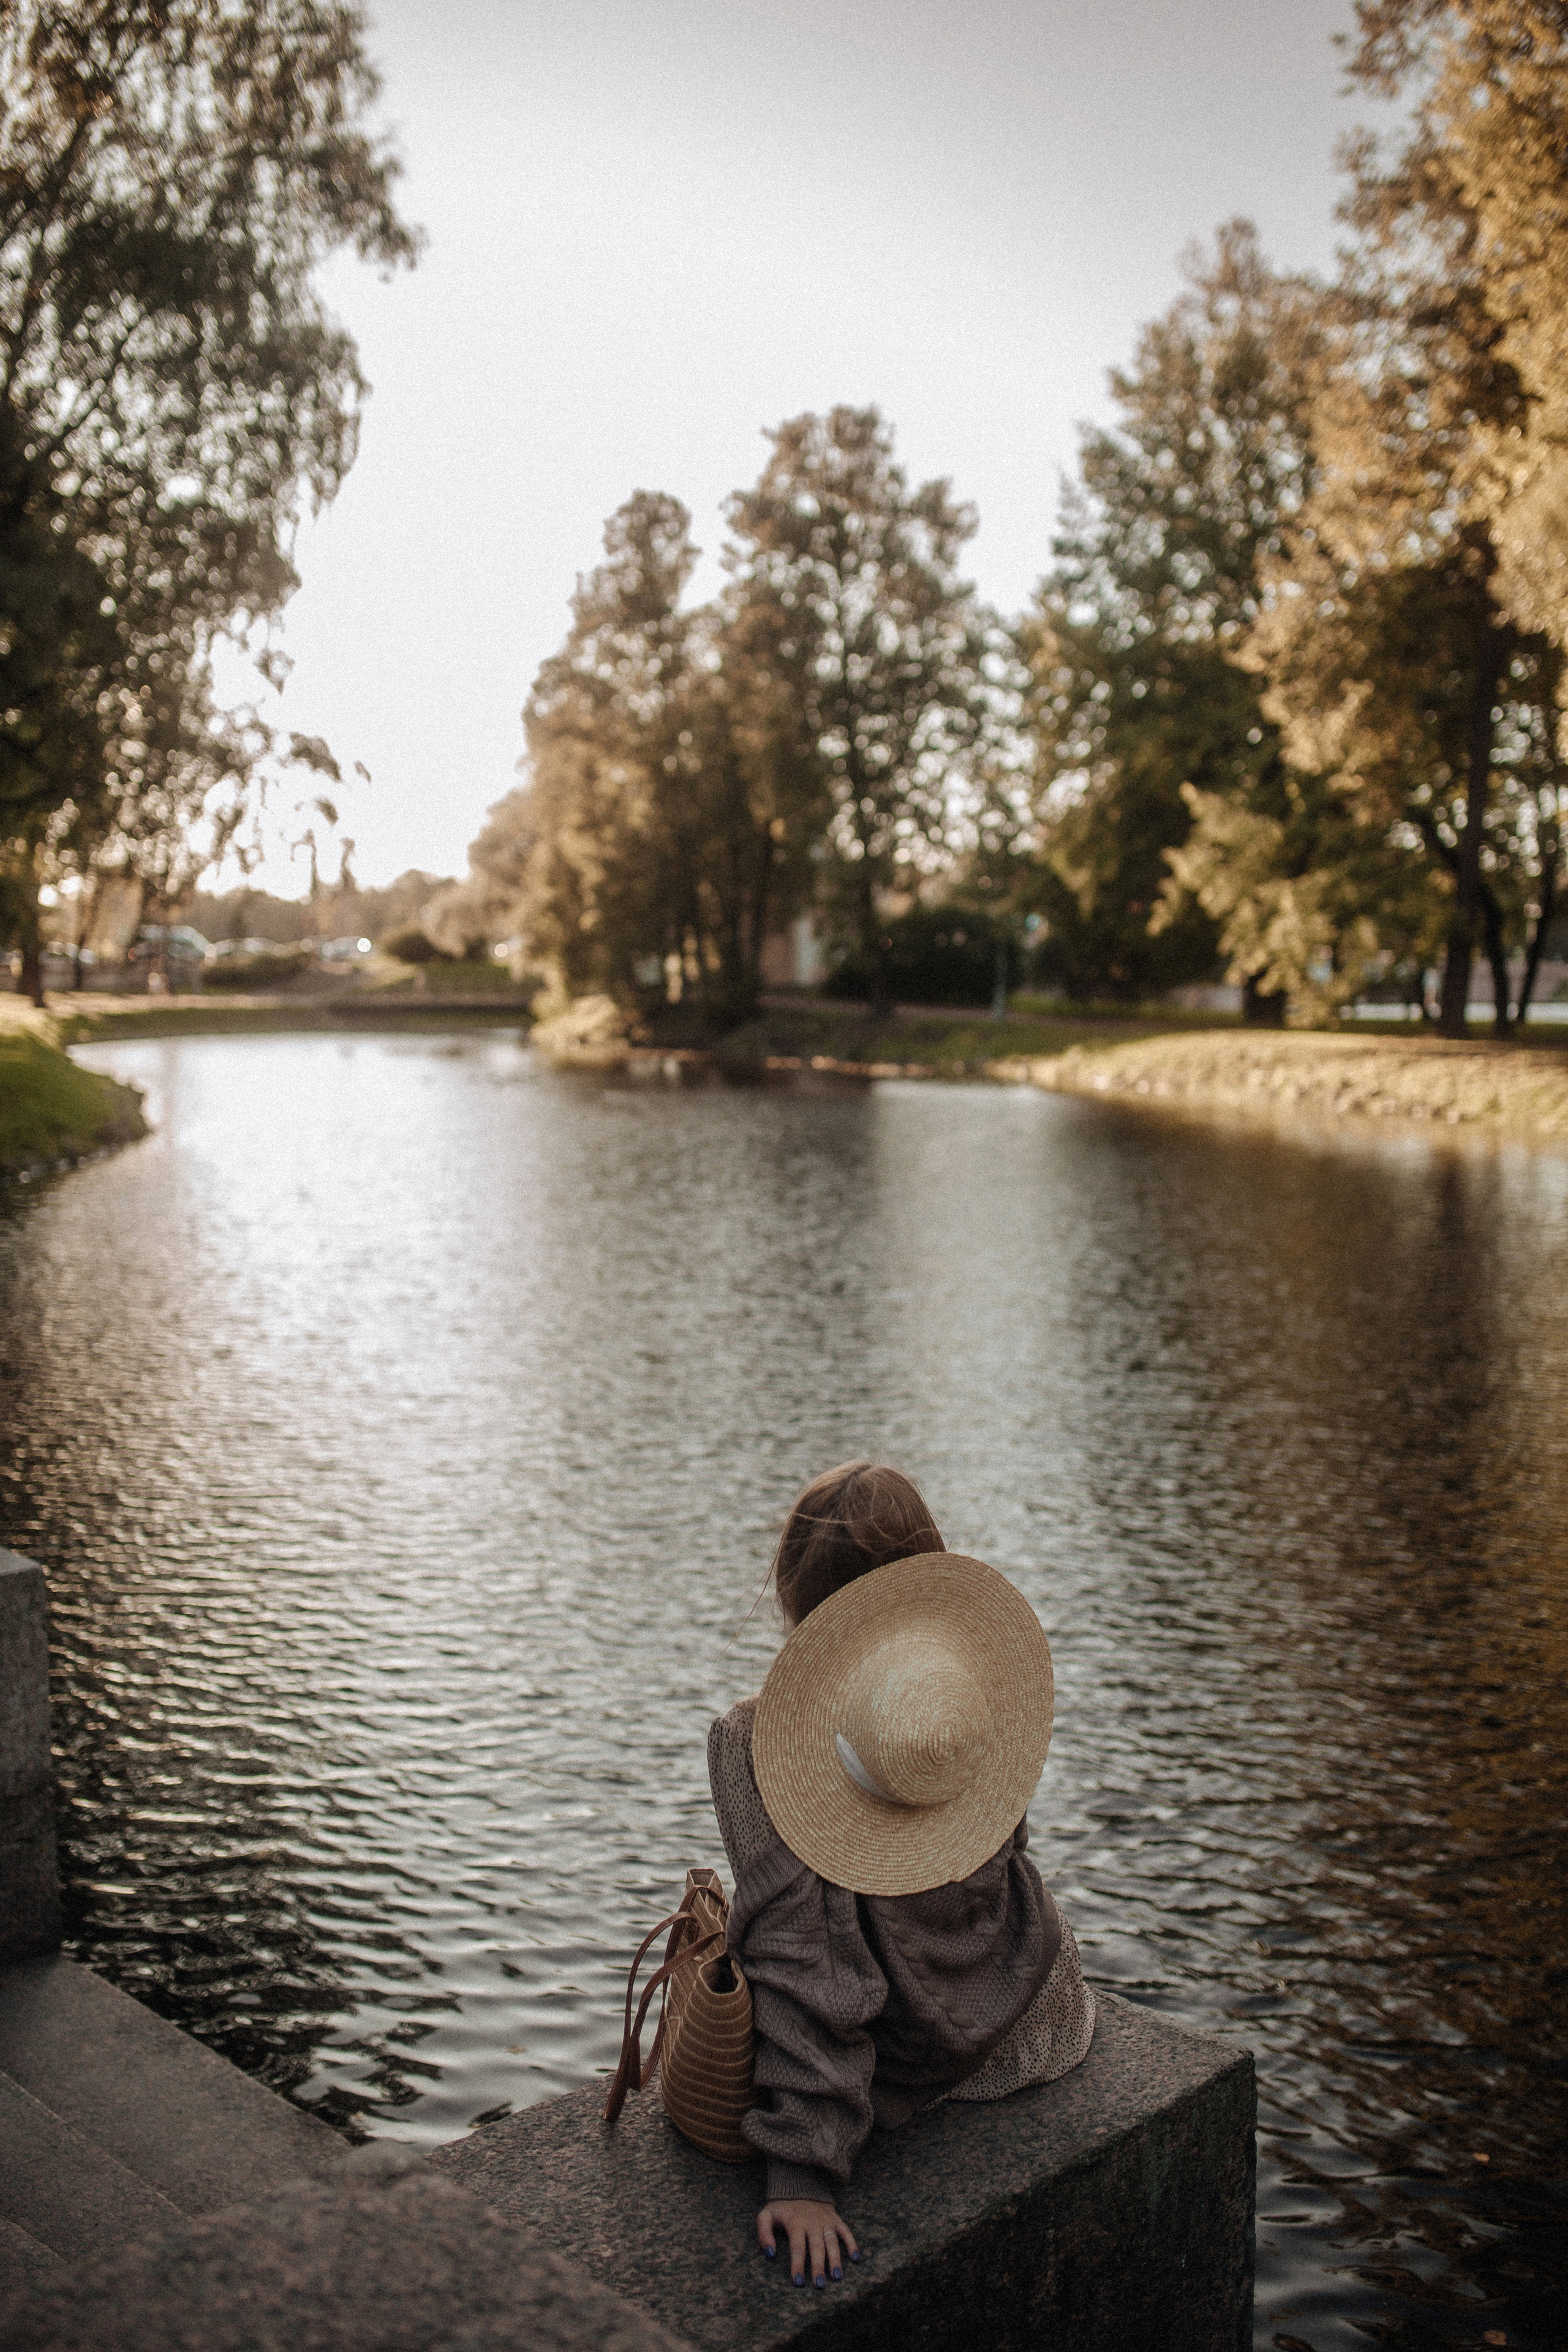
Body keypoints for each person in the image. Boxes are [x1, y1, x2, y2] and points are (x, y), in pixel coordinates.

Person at [708, 1460, 1096, 2294]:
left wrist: (805, 2173)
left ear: (790, 1596)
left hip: (908, 2049)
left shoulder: (758, 1744)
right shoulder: (970, 1680)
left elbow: (803, 1959)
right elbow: (1000, 1860)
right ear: (927, 1578)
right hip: (1036, 2001)